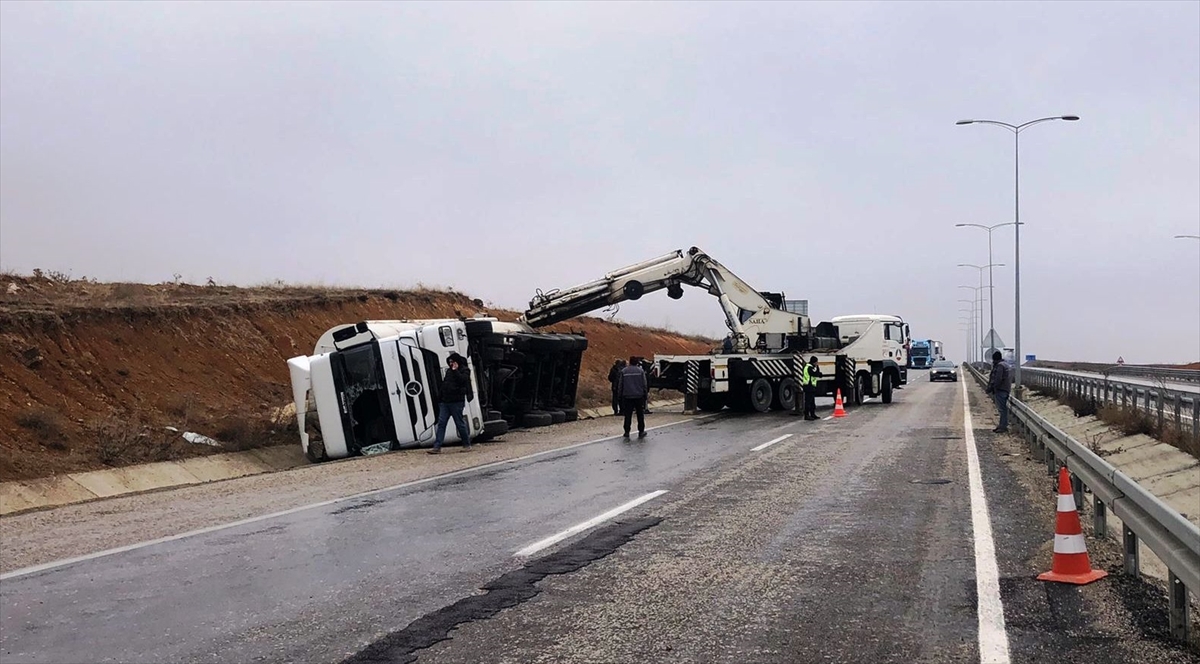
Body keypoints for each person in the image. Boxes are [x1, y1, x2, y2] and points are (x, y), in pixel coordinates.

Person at [428, 352, 473, 454]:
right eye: (450, 362)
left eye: (453, 361)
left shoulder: (465, 370)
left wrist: (456, 371)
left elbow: (462, 380)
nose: (451, 363)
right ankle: (437, 446)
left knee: (460, 424)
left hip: (457, 402)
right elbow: (445, 384)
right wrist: (440, 398)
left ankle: (466, 444)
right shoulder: (448, 371)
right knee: (441, 423)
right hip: (445, 402)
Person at [618, 355, 648, 438]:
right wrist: (645, 394)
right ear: (637, 362)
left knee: (628, 415)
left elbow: (621, 384)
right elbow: (644, 384)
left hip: (627, 396)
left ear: (630, 362)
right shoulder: (640, 371)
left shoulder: (624, 371)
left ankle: (627, 431)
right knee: (640, 415)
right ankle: (641, 431)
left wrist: (619, 395)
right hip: (639, 396)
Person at [985, 350, 1011, 433]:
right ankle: (1001, 425)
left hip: (1001, 390)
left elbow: (997, 379)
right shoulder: (1006, 365)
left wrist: (992, 388)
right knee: (1003, 409)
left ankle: (1003, 426)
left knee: (1002, 409)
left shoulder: (1000, 366)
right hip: (1006, 389)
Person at [803, 356, 822, 420]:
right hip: (808, 386)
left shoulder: (811, 367)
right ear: (814, 362)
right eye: (816, 362)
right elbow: (815, 374)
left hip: (811, 386)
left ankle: (812, 414)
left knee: (812, 402)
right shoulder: (809, 368)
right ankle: (806, 415)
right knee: (808, 402)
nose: (817, 363)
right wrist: (818, 370)